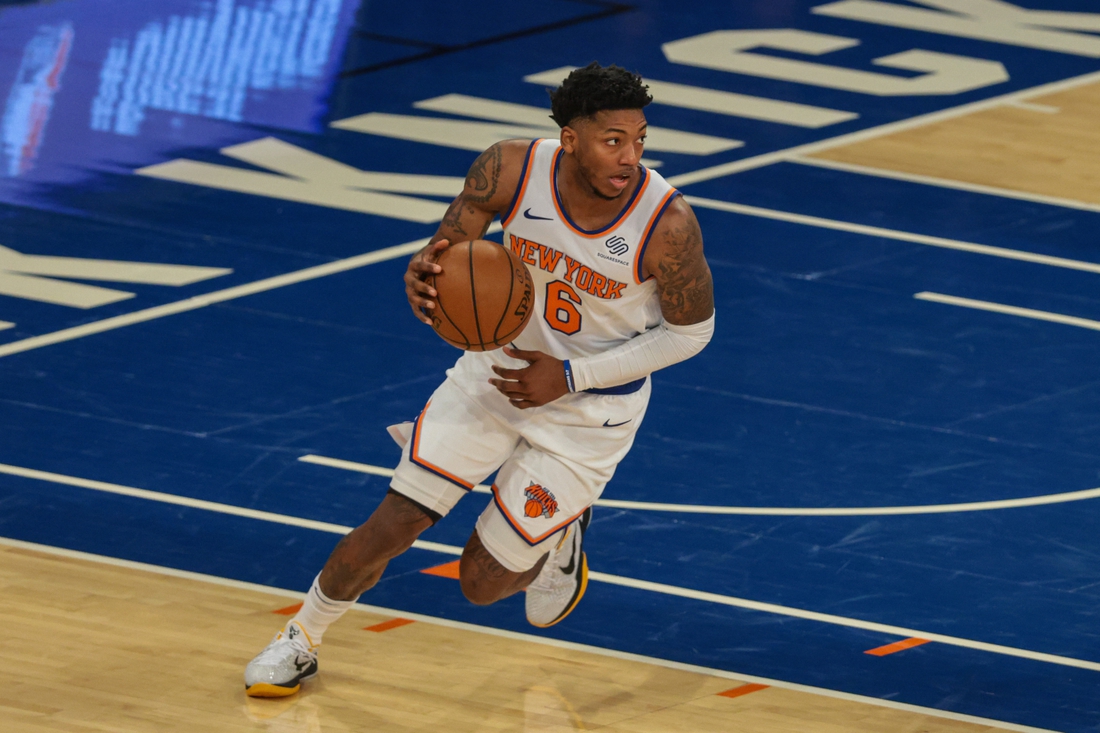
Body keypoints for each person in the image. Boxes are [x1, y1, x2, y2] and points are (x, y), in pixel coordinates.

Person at [244, 62, 715, 698]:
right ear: (570, 139)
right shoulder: (511, 169)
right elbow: (449, 252)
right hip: (495, 375)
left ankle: (559, 538)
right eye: (613, 140)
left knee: (481, 583)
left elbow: (692, 333)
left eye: (640, 139)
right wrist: (425, 275)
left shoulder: (667, 223)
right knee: (395, 521)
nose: (630, 156)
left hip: (588, 412)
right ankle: (300, 638)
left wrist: (571, 374)